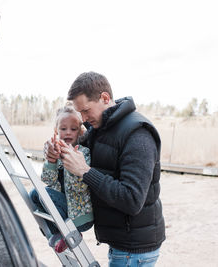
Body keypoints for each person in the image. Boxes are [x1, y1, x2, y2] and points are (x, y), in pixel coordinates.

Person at [44, 72, 165, 266]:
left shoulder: (138, 134)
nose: (82, 119)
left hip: (133, 249)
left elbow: (132, 200)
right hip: (120, 244)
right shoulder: (100, 128)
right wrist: (55, 153)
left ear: (105, 98)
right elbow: (77, 156)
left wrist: (85, 171)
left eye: (85, 111)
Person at [30, 104, 93, 253]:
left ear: (80, 131)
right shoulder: (56, 152)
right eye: (63, 129)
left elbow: (80, 187)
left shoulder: (83, 152)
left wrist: (71, 160)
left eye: (73, 129)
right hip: (64, 209)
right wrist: (52, 161)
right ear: (56, 131)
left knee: (44, 194)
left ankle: (70, 232)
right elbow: (48, 180)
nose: (68, 132)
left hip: (80, 216)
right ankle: (57, 231)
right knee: (34, 193)